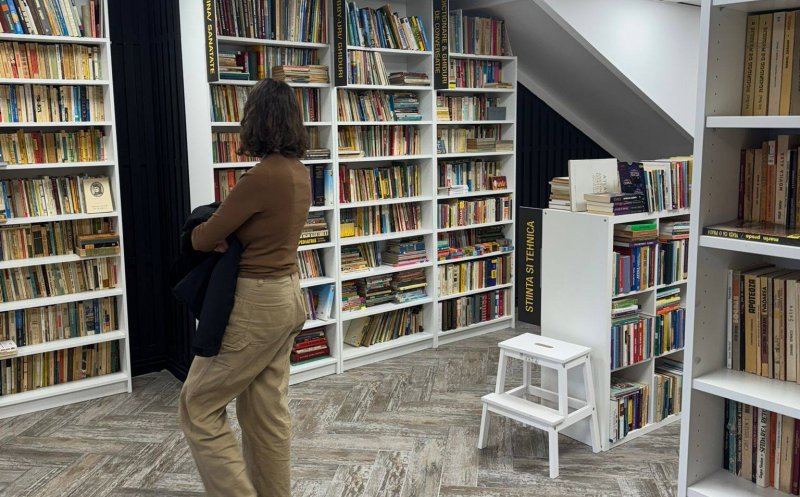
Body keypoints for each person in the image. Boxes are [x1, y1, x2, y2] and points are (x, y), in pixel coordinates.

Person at [178, 78, 311, 497]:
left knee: (197, 405)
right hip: (289, 295)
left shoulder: (261, 176)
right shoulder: (299, 172)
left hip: (257, 303)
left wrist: (213, 233)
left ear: (257, 120)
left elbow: (203, 237)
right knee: (264, 413)